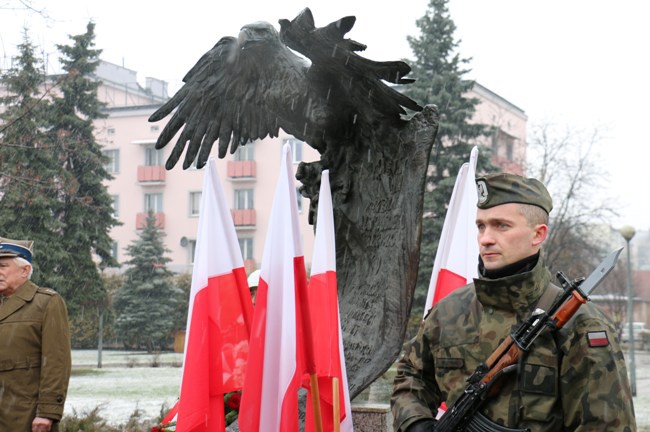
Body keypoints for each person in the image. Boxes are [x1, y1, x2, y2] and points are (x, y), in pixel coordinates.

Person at [391, 173, 636, 431]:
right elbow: (411, 378)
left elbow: (607, 425)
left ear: (538, 235)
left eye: (501, 226)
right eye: (481, 226)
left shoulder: (581, 324)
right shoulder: (449, 312)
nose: (485, 238)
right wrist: (415, 423)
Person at [0, 237, 71, 432]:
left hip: (24, 415)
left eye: (3, 266)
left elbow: (57, 362)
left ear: (25, 270)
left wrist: (47, 412)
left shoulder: (46, 302)